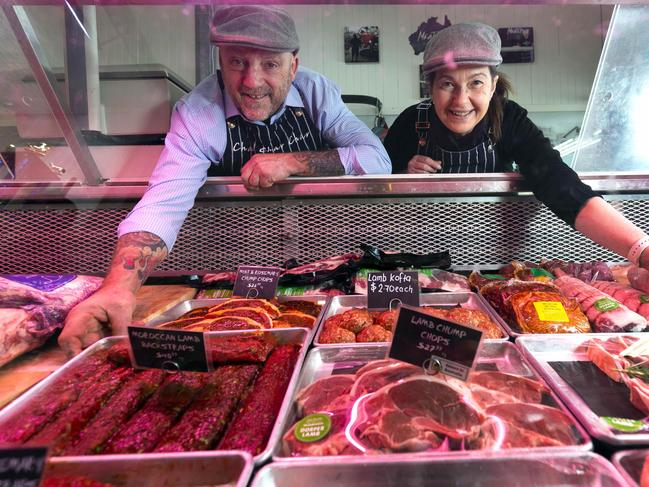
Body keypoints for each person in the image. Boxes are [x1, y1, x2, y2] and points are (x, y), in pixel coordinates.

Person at [58, 5, 390, 355]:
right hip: (233, 255)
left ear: (293, 65)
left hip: (317, 255)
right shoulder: (199, 111)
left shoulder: (315, 92)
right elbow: (164, 203)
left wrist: (292, 162)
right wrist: (119, 288)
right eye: (237, 62)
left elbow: (377, 160)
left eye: (270, 65)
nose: (252, 81)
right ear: (220, 60)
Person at [384, 22, 649, 272]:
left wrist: (641, 249)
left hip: (495, 252)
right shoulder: (411, 121)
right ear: (430, 86)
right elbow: (377, 189)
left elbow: (558, 183)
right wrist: (402, 171)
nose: (461, 100)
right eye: (447, 84)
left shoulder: (509, 119)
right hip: (420, 254)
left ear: (493, 86)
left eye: (476, 82)